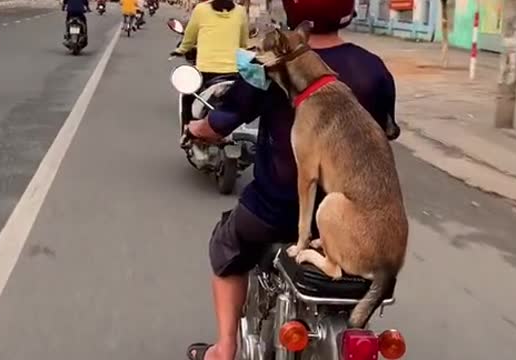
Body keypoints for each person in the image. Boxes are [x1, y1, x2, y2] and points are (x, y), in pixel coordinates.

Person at [183, 0, 400, 358]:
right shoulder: (373, 69)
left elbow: (223, 120)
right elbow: (388, 130)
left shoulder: (271, 66)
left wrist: (197, 128)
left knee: (226, 248)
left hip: (274, 211)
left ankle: (224, 348)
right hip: (356, 219)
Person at [170, 0, 248, 124]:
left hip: (206, 72)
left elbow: (189, 38)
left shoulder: (201, 9)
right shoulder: (241, 11)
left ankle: (186, 134)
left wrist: (180, 50)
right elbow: (243, 43)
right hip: (234, 72)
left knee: (187, 96)